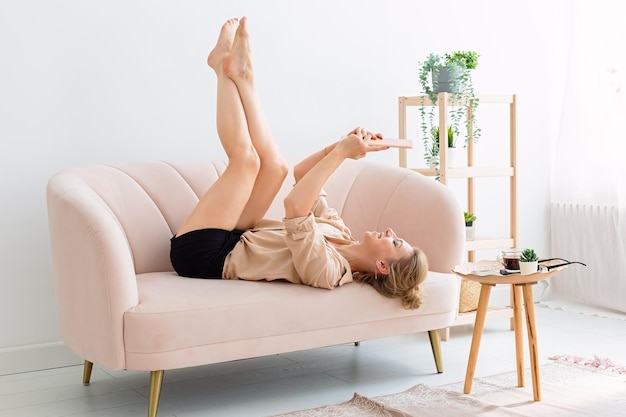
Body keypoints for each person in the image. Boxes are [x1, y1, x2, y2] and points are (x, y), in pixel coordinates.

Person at [170, 17, 428, 309]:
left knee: (246, 162)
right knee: (276, 167)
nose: (391, 233)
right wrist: (342, 145)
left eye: (395, 243)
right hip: (239, 238)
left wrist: (342, 152)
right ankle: (243, 77)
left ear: (382, 265)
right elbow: (301, 173)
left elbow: (295, 207)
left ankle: (220, 70)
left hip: (204, 256)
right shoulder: (340, 232)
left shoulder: (329, 271)